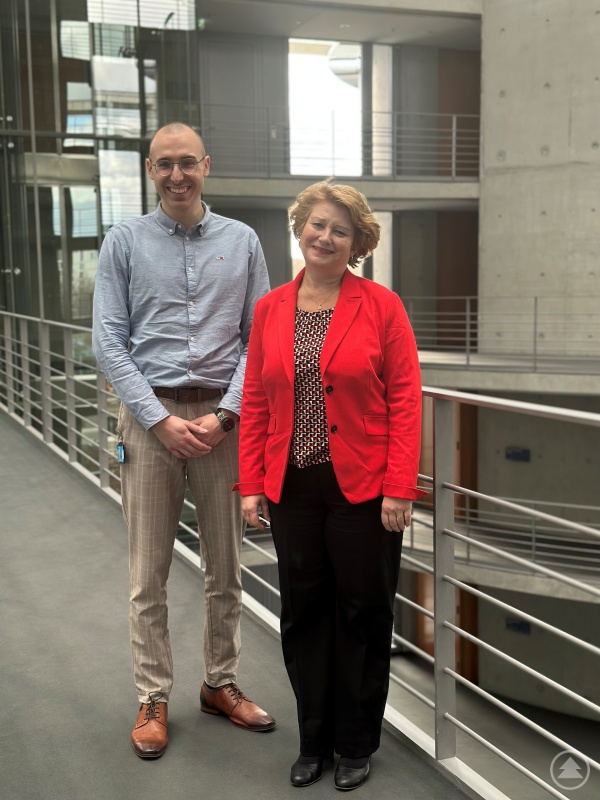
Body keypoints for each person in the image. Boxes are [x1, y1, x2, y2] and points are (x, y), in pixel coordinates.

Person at [93, 122, 275, 760]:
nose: (177, 175)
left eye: (187, 164)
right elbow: (109, 341)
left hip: (224, 428)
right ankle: (153, 695)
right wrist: (157, 417)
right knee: (149, 574)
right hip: (150, 426)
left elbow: (261, 337)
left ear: (206, 165)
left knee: (226, 569)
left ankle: (219, 683)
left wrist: (226, 414)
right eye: (164, 165)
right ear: (150, 170)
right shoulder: (124, 241)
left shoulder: (244, 241)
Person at [237, 182, 426, 791]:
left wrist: (400, 486)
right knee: (303, 615)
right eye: (317, 225)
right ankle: (312, 739)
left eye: (339, 230)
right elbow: (258, 399)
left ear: (357, 242)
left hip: (365, 490)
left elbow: (404, 398)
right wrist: (250, 485)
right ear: (300, 228)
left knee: (363, 614)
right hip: (291, 488)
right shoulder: (271, 309)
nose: (325, 237)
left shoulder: (382, 306)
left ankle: (355, 743)